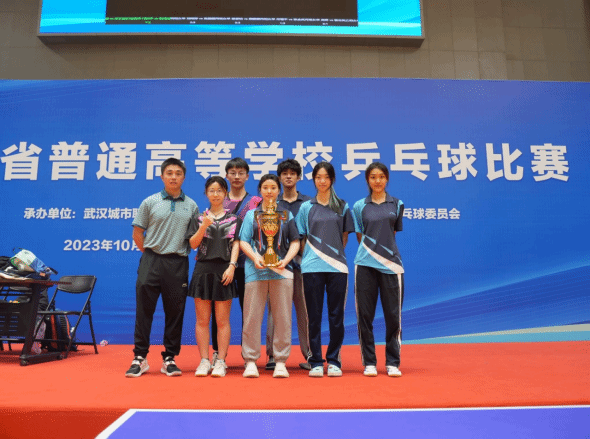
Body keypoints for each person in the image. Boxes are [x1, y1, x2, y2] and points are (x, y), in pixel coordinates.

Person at [126, 158, 199, 378]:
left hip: (177, 263)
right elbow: (137, 233)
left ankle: (169, 358)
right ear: (162, 176)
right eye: (169, 173)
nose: (173, 177)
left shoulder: (192, 206)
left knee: (175, 312)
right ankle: (140, 357)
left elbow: (193, 240)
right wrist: (151, 253)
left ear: (184, 177)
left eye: (178, 173)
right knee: (144, 311)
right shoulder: (150, 202)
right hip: (151, 261)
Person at [296, 162, 354, 378]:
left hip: (337, 267)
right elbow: (302, 237)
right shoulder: (306, 207)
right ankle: (316, 361)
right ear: (314, 180)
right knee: (314, 315)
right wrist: (311, 258)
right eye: (318, 177)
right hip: (312, 268)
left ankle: (334, 360)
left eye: (326, 177)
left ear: (332, 179)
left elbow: (344, 237)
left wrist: (332, 255)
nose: (322, 181)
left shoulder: (342, 206)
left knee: (336, 315)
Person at [239, 174, 300, 378]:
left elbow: (295, 241)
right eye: (265, 187)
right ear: (260, 190)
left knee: (283, 318)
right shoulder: (252, 215)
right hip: (255, 271)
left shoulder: (286, 215)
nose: (269, 191)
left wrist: (286, 259)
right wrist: (255, 257)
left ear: (278, 190)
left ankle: (280, 360)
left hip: (282, 272)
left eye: (273, 187)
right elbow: (243, 241)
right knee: (251, 318)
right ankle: (250, 361)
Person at [352, 162, 404, 377]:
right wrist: (372, 253)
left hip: (391, 266)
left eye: (381, 176)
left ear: (387, 179)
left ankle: (392, 362)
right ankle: (369, 362)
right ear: (368, 180)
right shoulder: (359, 206)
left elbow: (392, 233)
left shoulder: (397, 204)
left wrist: (383, 254)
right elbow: (360, 236)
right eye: (373, 177)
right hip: (365, 265)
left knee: (393, 316)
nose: (377, 181)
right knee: (365, 316)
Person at [210, 158, 262, 365]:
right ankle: (217, 352)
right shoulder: (219, 201)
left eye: (241, 173)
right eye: (232, 173)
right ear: (227, 176)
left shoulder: (256, 202)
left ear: (247, 176)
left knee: (248, 312)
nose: (237, 176)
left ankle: (248, 355)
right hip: (222, 265)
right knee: (218, 312)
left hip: (247, 265)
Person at [187, 176, 240, 378]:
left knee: (222, 321)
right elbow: (193, 244)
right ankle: (204, 360)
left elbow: (236, 244)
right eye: (212, 190)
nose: (215, 194)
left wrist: (232, 266)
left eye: (219, 191)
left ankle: (221, 361)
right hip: (202, 270)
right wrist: (203, 226)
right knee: (202, 320)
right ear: (206, 193)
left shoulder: (234, 219)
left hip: (224, 270)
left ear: (225, 193)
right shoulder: (198, 218)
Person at [265, 158, 312, 371]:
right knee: (275, 312)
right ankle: (272, 355)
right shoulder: (272, 203)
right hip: (278, 267)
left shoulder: (309, 203)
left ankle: (311, 354)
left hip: (303, 266)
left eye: (293, 173)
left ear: (299, 177)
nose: (289, 176)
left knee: (305, 311)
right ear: (279, 177)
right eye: (285, 173)